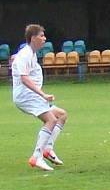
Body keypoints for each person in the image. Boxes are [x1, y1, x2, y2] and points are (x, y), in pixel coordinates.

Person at [12, 24, 68, 171]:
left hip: (31, 95)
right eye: (41, 36)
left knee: (61, 115)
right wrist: (42, 94)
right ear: (33, 38)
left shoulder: (30, 53)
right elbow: (24, 78)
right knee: (51, 120)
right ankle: (36, 157)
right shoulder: (25, 54)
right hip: (26, 96)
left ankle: (47, 149)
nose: (44, 38)